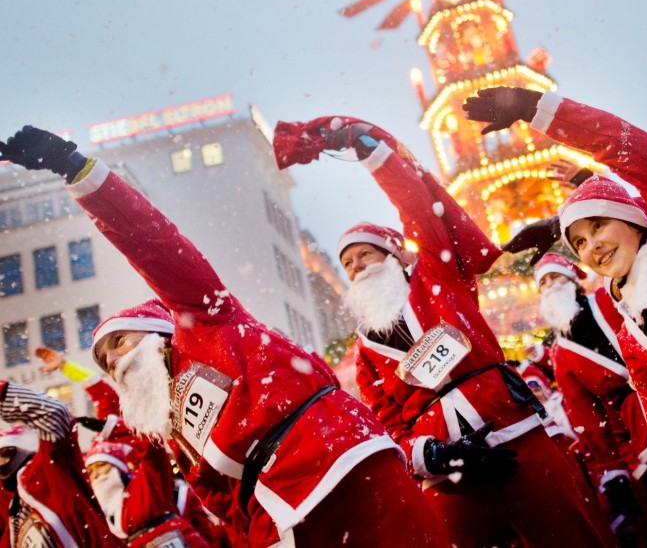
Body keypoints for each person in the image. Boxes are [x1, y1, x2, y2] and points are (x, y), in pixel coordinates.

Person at [0, 126, 449, 548]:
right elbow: (217, 499)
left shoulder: (206, 318)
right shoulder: (168, 425)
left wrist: (76, 171)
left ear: (160, 330)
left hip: (346, 465)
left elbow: (148, 240)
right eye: (105, 360)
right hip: (276, 521)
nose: (115, 361)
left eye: (119, 342)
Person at [273, 114, 617, 548]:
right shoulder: (364, 353)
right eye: (348, 263)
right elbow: (386, 423)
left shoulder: (439, 276)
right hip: (445, 475)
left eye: (365, 254)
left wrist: (367, 150)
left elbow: (417, 207)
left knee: (573, 537)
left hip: (514, 431)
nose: (357, 266)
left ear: (397, 254)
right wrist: (431, 454)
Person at [462, 86, 647, 474]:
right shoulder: (630, 337)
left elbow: (637, 152)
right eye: (579, 242)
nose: (593, 247)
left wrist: (537, 108)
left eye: (599, 226)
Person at [35, 346, 220, 547]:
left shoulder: (121, 444)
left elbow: (104, 397)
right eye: (92, 471)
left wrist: (66, 367)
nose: (97, 474)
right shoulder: (98, 501)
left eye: (102, 467)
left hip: (170, 503)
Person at [531, 252, 647, 544]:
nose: (550, 285)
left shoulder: (607, 300)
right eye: (543, 282)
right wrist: (613, 469)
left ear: (573, 279)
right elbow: (587, 417)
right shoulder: (560, 357)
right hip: (636, 432)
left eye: (556, 276)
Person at [0, 381, 124, 547]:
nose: (98, 474)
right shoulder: (12, 520)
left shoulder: (50, 466)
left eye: (5, 452)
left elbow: (54, 414)